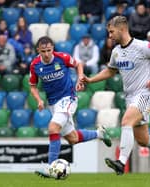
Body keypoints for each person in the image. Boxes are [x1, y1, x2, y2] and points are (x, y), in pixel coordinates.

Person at [81, 16, 150, 175]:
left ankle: (121, 162)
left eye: (111, 32)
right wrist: (91, 79)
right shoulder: (116, 52)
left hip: (144, 95)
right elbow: (111, 70)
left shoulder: (142, 46)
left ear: (122, 29)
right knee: (143, 140)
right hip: (130, 98)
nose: (109, 36)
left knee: (126, 121)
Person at [30, 36, 112, 178]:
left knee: (53, 128)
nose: (47, 54)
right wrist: (38, 100)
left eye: (49, 50)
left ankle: (50, 167)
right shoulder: (35, 65)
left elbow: (78, 64)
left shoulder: (62, 58)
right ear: (38, 50)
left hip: (68, 98)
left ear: (53, 49)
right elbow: (32, 86)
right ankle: (99, 134)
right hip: (53, 104)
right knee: (72, 138)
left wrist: (80, 78)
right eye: (43, 51)